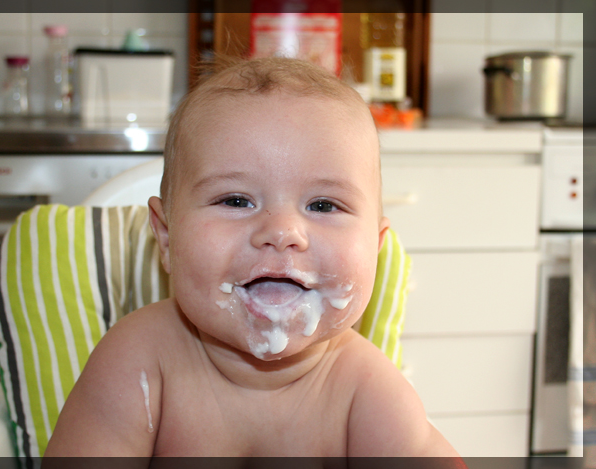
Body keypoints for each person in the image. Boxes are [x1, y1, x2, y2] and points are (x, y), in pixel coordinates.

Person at [44, 56, 464, 462]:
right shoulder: (138, 361)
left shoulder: (368, 391)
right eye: (236, 200)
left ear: (375, 246)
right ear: (167, 236)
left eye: (322, 205)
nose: (281, 232)